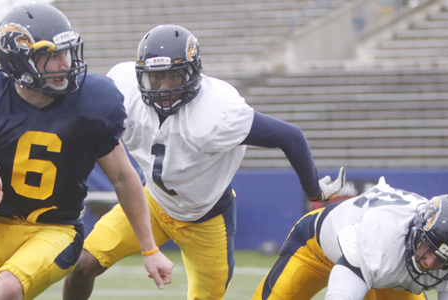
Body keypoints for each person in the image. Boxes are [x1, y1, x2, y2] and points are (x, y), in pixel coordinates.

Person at [0, 3, 172, 300]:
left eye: (67, 52)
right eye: (52, 55)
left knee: (6, 289)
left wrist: (150, 249)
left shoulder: (91, 103)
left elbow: (124, 178)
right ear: (19, 60)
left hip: (55, 229)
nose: (66, 63)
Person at [63, 24, 345, 300]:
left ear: (193, 73)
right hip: (151, 203)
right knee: (83, 264)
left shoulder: (218, 111)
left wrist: (313, 191)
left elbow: (290, 136)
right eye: (155, 78)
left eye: (173, 77)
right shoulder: (124, 89)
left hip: (207, 219)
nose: (163, 88)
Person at [252, 177, 448, 300]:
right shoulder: (381, 235)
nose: (428, 263)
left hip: (387, 269)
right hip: (317, 249)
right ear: (417, 231)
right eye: (427, 250)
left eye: (442, 261)